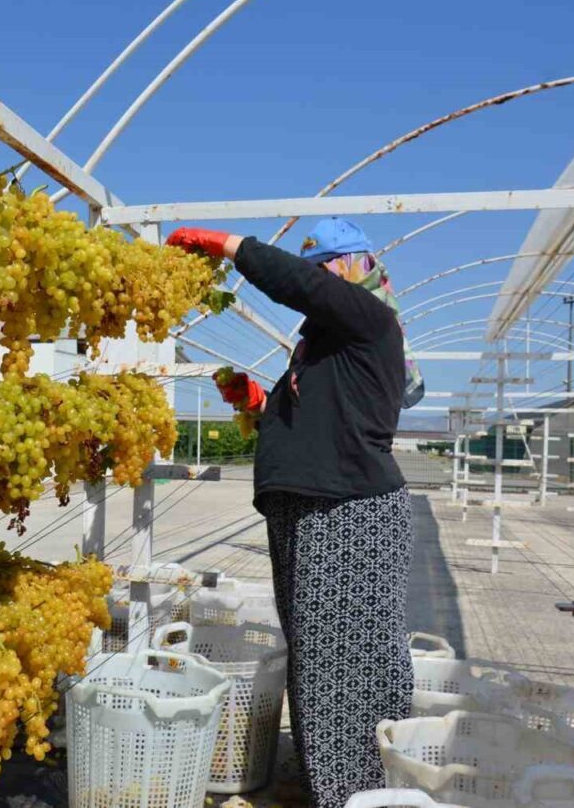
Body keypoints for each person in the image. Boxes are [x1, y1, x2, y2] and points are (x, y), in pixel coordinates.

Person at [167, 218, 422, 808]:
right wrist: (259, 401)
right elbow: (316, 427)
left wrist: (230, 247)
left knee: (348, 661)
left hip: (350, 514)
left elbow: (301, 289)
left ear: (352, 268)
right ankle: (329, 787)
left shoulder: (368, 318)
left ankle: (357, 792)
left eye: (324, 268)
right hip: (311, 511)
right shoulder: (324, 352)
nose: (318, 280)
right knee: (317, 655)